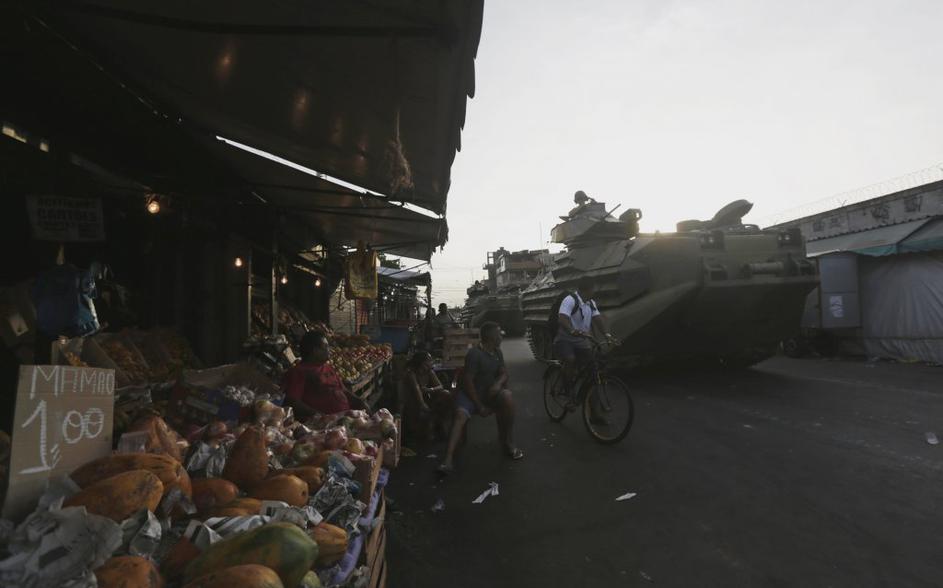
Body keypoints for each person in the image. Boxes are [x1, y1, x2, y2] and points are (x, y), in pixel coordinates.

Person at [439, 321, 523, 473]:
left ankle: (508, 442)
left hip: (490, 394)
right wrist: (479, 406)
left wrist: (498, 384)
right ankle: (447, 459)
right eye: (499, 333)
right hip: (472, 395)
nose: (501, 336)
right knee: (459, 417)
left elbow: (504, 373)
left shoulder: (498, 352)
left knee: (508, 397)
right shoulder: (474, 354)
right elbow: (468, 382)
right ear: (491, 337)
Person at [554, 276, 617, 390]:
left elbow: (597, 319)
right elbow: (562, 318)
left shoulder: (591, 303)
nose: (594, 292)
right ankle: (567, 387)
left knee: (592, 367)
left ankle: (590, 397)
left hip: (582, 341)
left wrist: (607, 335)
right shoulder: (570, 300)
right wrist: (572, 330)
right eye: (593, 289)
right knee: (570, 359)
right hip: (565, 339)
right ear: (587, 290)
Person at [282, 331, 357, 418]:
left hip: (345, 418)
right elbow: (292, 401)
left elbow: (344, 390)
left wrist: (360, 402)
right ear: (315, 351)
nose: (329, 350)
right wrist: (320, 416)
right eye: (325, 347)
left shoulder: (328, 367)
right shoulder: (298, 372)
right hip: (324, 425)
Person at [400, 351, 452, 441]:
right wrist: (422, 404)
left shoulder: (430, 372)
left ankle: (440, 422)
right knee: (424, 431)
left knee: (446, 394)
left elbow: (440, 386)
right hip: (413, 402)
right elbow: (417, 389)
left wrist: (430, 390)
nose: (431, 362)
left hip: (427, 397)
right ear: (422, 363)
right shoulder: (411, 374)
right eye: (429, 360)